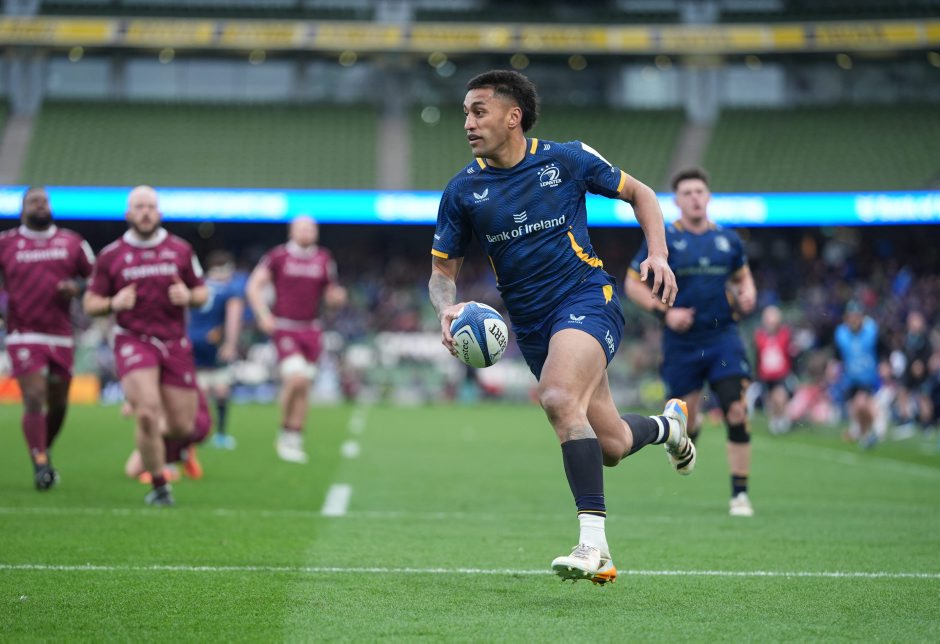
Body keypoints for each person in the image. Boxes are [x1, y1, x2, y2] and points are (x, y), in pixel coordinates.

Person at [429, 69, 694, 585]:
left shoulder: (566, 159)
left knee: (556, 396)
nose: (468, 123)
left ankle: (594, 547)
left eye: (479, 111)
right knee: (612, 444)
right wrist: (446, 306)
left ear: (513, 116)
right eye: (465, 113)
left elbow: (641, 194)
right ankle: (669, 427)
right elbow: (442, 273)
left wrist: (658, 255)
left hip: (586, 298)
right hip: (533, 327)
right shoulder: (462, 190)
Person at [625, 167, 757, 518]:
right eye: (687, 193)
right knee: (689, 418)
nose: (695, 198)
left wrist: (748, 294)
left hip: (723, 337)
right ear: (677, 201)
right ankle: (682, 442)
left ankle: (740, 496)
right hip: (682, 342)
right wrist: (665, 313)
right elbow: (632, 284)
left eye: (700, 191)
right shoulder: (665, 239)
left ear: (708, 196)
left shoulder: (728, 240)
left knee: (736, 410)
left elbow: (744, 279)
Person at [83, 185, 208, 506]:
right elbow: (90, 302)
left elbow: (202, 292)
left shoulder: (180, 249)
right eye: (139, 207)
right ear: (129, 214)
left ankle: (151, 444)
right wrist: (113, 303)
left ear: (160, 213)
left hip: (174, 341)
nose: (145, 212)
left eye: (150, 207)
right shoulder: (111, 255)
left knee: (182, 426)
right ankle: (159, 485)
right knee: (148, 413)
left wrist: (189, 296)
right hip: (133, 339)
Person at [0, 186, 95, 490]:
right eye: (34, 201)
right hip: (23, 333)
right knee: (34, 396)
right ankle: (40, 464)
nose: (40, 205)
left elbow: (96, 278)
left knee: (59, 403)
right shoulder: (6, 243)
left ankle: (44, 445)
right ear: (22, 209)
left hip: (61, 335)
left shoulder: (72, 242)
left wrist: (77, 288)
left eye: (44, 201)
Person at [246, 215, 347, 464]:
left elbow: (331, 293)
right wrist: (263, 314)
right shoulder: (278, 256)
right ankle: (284, 431)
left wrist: (337, 298)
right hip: (285, 327)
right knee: (296, 379)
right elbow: (253, 285)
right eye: (302, 228)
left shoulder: (323, 258)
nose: (306, 232)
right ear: (291, 231)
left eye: (311, 228)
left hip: (311, 329)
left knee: (304, 387)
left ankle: (295, 436)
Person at [189, 250, 246, 449]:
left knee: (200, 390)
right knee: (221, 389)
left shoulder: (197, 287)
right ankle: (220, 435)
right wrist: (230, 344)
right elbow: (233, 318)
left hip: (191, 341)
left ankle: (197, 433)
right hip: (215, 343)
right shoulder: (229, 291)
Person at [833, 301, 883, 448]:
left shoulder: (871, 331)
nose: (854, 320)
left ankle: (873, 430)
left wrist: (884, 366)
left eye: (856, 316)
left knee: (861, 404)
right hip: (851, 378)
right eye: (851, 317)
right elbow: (838, 356)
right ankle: (866, 433)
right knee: (857, 409)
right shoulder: (841, 334)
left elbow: (882, 350)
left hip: (869, 377)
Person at [754, 305, 796, 434]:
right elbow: (758, 356)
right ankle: (775, 420)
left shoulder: (785, 334)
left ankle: (783, 420)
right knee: (771, 400)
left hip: (781, 374)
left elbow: (791, 353)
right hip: (765, 375)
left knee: (780, 397)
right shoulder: (759, 336)